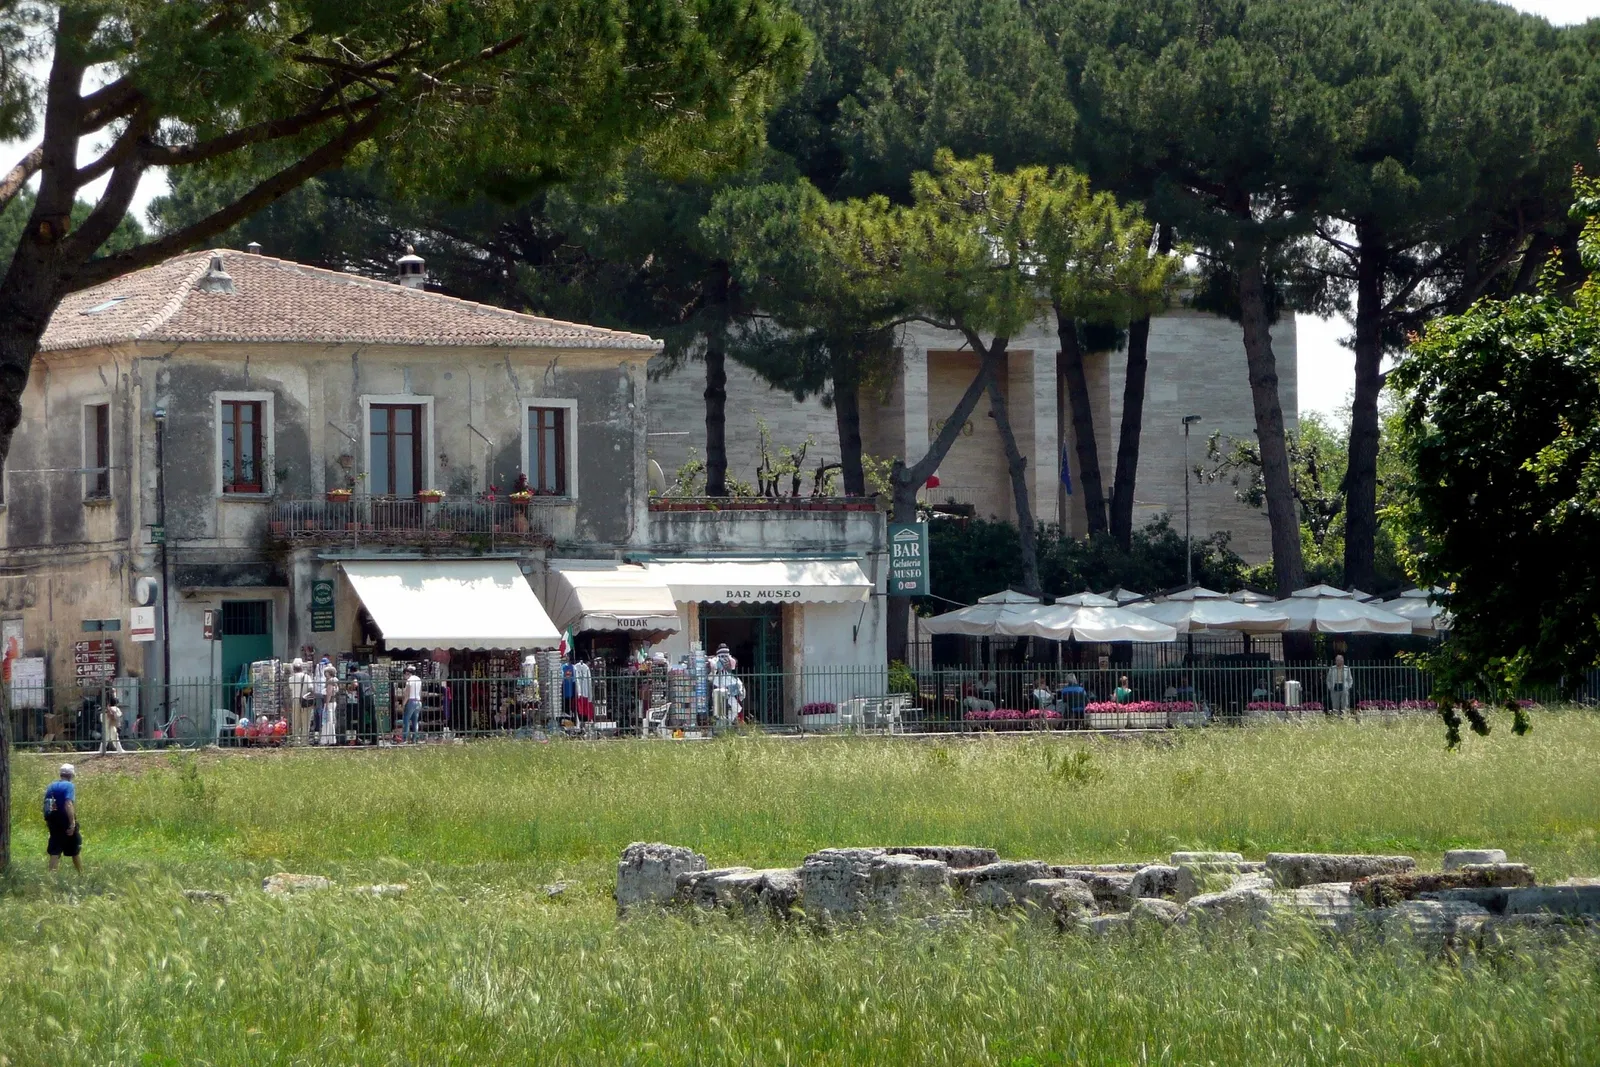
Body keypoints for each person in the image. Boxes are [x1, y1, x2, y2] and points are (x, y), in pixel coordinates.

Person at [43, 764, 81, 872]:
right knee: (74, 849)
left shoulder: (51, 786)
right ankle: (81, 874)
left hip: (53, 820)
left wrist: (49, 822)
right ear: (71, 775)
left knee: (55, 849)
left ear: (61, 774)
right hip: (65, 820)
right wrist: (72, 823)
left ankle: (51, 877)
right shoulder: (69, 786)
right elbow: (68, 804)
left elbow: (47, 805)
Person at [287, 658, 313, 742]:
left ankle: (296, 740)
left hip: (295, 699)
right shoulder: (307, 677)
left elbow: (291, 688)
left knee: (296, 720)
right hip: (305, 700)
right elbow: (311, 688)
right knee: (305, 720)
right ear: (302, 667)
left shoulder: (291, 678)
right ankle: (304, 740)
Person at [320, 660, 340, 745]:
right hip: (333, 702)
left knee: (327, 721)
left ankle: (326, 740)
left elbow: (329, 693)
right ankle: (332, 739)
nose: (325, 674)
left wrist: (327, 704)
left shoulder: (330, 681)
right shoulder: (335, 680)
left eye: (326, 672)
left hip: (329, 702)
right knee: (331, 721)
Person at [402, 666, 423, 743]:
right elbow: (420, 692)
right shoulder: (418, 679)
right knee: (415, 721)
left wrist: (403, 704)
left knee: (406, 720)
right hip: (418, 701)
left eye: (404, 675)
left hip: (410, 701)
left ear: (407, 673)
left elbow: (407, 694)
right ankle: (415, 738)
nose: (404, 677)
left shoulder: (409, 681)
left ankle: (404, 739)